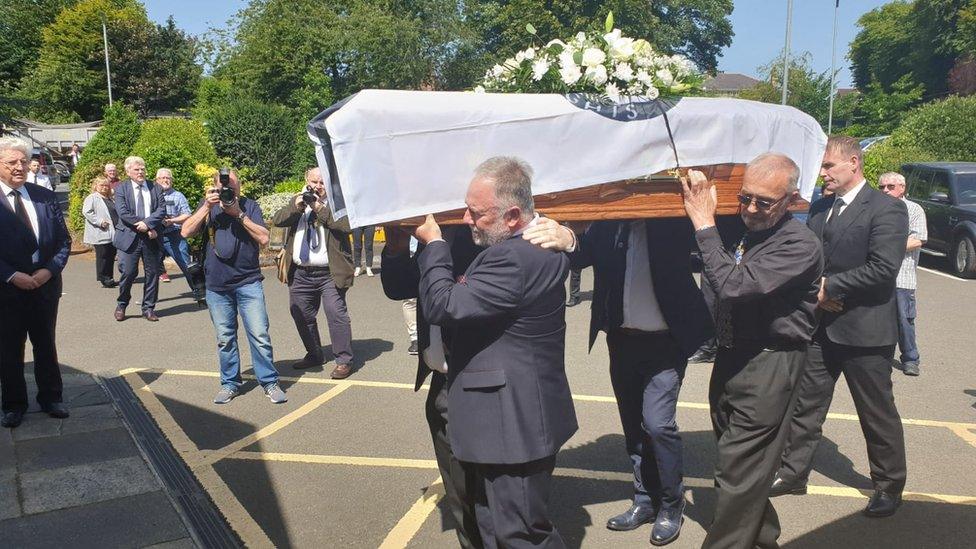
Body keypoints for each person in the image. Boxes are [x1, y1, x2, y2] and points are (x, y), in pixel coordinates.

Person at [414, 156, 577, 548]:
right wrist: (571, 237)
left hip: (512, 425)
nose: (467, 219)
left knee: (520, 534)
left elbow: (443, 305)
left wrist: (435, 244)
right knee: (493, 527)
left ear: (514, 216)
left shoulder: (515, 256)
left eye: (477, 212)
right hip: (504, 421)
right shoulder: (538, 243)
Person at [524, 216, 713, 545]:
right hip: (623, 341)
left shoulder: (672, 222)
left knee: (658, 424)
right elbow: (581, 255)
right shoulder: (607, 224)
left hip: (666, 344)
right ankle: (644, 499)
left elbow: (707, 235)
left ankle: (671, 503)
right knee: (633, 427)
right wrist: (567, 237)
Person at [681, 153, 823, 549]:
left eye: (765, 202)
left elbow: (734, 286)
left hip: (771, 363)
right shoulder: (746, 228)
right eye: (745, 198)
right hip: (732, 357)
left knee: (738, 469)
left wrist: (705, 224)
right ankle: (763, 537)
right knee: (741, 463)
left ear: (792, 200)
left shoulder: (799, 243)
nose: (751, 209)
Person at [772, 136, 909, 518]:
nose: (823, 173)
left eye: (829, 166)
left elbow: (883, 268)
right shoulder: (820, 208)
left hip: (866, 331)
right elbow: (808, 259)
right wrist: (813, 291)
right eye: (822, 167)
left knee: (876, 412)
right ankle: (793, 473)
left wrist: (829, 288)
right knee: (805, 405)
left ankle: (888, 484)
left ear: (853, 163)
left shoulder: (886, 209)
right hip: (821, 327)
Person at [381, 225, 485, 548]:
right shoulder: (434, 235)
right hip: (441, 382)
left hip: (478, 381)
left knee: (485, 493)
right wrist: (397, 247)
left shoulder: (481, 234)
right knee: (458, 492)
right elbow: (402, 286)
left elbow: (449, 302)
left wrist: (437, 243)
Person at [181, 169, 287, 405]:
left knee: (259, 335)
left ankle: (269, 382)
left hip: (248, 281)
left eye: (234, 189)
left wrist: (238, 214)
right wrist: (207, 207)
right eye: (224, 190)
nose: (229, 193)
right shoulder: (208, 205)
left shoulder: (249, 206)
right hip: (217, 285)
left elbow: (264, 238)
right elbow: (186, 231)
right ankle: (230, 384)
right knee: (225, 338)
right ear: (215, 188)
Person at [0, 137, 72, 428]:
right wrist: (11, 275)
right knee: (9, 347)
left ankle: (51, 397)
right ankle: (14, 404)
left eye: (22, 162)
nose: (19, 168)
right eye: (11, 163)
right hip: (7, 288)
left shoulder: (44, 196)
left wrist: (48, 271)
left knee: (45, 343)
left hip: (44, 285)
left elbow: (64, 242)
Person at [271, 167, 356, 380]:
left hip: (330, 272)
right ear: (306, 181)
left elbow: (346, 226)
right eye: (314, 182)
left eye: (322, 183)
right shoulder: (297, 201)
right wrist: (297, 207)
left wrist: (319, 207)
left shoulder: (338, 204)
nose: (317, 187)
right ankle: (314, 353)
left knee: (336, 314)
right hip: (300, 272)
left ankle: (343, 360)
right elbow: (278, 220)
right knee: (301, 314)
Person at [879, 171, 927, 376]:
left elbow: (918, 239)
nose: (885, 190)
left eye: (890, 187)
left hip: (902, 277)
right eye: (881, 187)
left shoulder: (914, 209)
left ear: (902, 188)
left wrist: (887, 247)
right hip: (877, 276)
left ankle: (910, 358)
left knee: (904, 319)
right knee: (877, 319)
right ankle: (879, 357)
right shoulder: (876, 209)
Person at [113, 156, 166, 322]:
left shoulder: (155, 187)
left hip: (151, 237)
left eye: (142, 169)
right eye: (136, 169)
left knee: (152, 273)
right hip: (130, 237)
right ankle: (122, 304)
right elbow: (122, 212)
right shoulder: (122, 188)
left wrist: (148, 224)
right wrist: (140, 224)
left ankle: (149, 307)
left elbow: (161, 209)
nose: (141, 172)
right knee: (128, 273)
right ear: (128, 172)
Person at [155, 168, 199, 299]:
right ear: (156, 180)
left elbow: (187, 214)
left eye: (168, 178)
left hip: (174, 235)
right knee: (152, 269)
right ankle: (149, 299)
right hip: (156, 236)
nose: (165, 180)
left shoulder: (178, 196)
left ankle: (199, 292)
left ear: (172, 180)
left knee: (187, 265)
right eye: (162, 178)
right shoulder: (151, 195)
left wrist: (171, 220)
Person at [82, 175, 119, 288]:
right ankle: (103, 278)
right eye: (101, 185)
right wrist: (99, 221)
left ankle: (109, 277)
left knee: (111, 254)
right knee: (103, 255)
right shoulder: (92, 198)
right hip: (100, 231)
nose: (104, 188)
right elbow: (87, 212)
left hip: (112, 231)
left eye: (106, 185)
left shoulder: (110, 198)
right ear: (96, 186)